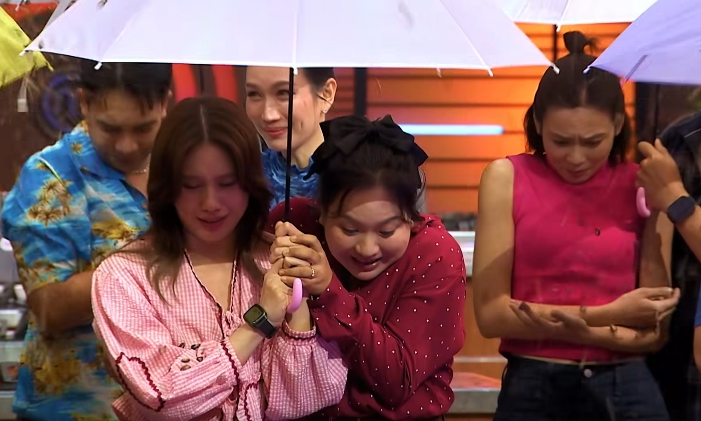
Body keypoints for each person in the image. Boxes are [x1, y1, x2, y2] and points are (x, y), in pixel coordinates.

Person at [91, 97, 347, 421]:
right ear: (167, 188)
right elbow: (162, 395)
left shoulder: (276, 261)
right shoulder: (124, 276)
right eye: (191, 185)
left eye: (227, 183)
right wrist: (259, 323)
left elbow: (306, 398)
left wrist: (299, 306)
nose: (210, 203)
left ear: (250, 184)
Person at [472, 31, 679, 421]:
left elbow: (653, 327)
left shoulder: (643, 183)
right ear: (537, 123)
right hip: (535, 383)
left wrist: (576, 326)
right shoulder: (507, 177)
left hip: (626, 385)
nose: (577, 157)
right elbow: (491, 315)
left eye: (593, 141)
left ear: (617, 124)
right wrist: (607, 315)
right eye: (561, 141)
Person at [0, 60, 172, 421]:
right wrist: (159, 254)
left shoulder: (184, 165)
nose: (127, 145)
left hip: (171, 402)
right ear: (84, 102)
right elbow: (50, 308)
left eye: (144, 128)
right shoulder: (50, 176)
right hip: (77, 407)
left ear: (165, 103)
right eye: (110, 128)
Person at [266, 113, 466, 420]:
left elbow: (397, 379)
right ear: (322, 213)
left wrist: (328, 291)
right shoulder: (297, 224)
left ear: (411, 218)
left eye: (386, 231)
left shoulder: (435, 254)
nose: (367, 248)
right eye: (350, 230)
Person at [637, 113, 701, 421]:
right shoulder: (681, 139)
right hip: (673, 361)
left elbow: (670, 198)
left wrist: (676, 198)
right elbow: (656, 241)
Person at [244, 66, 336, 209]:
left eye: (284, 92)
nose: (268, 115)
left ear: (326, 93)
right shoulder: (247, 176)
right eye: (254, 94)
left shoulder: (355, 177)